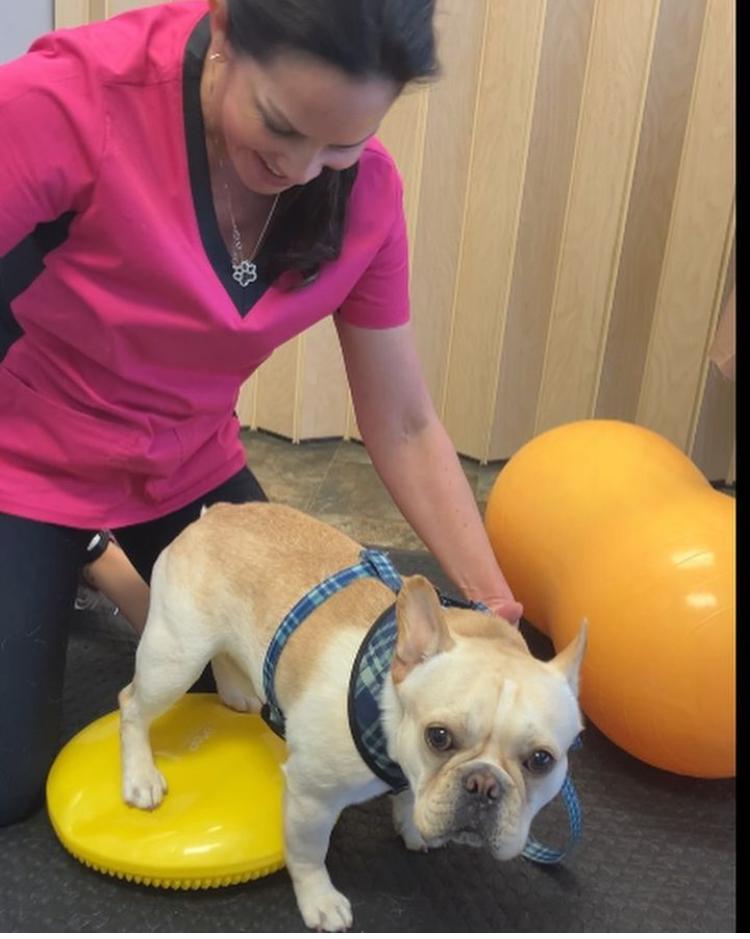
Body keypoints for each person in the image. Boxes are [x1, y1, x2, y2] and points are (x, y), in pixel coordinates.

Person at [0, 0, 522, 827]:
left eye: (342, 143)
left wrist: (494, 607)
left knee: (299, 703)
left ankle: (99, 556)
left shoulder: (369, 196)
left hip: (182, 458)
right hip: (21, 451)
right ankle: (73, 544)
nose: (304, 167)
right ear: (226, 32)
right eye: (280, 125)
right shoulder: (73, 99)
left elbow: (406, 422)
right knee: (7, 786)